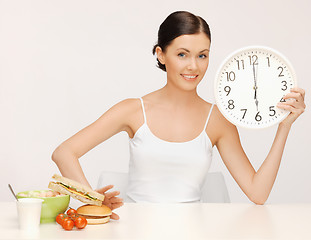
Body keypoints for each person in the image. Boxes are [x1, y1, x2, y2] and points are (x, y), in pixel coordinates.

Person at [51, 11, 306, 220]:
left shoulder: (218, 119)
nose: (193, 66)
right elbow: (64, 152)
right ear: (161, 54)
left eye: (202, 55)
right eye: (182, 54)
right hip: (135, 230)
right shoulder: (133, 110)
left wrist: (283, 126)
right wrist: (93, 200)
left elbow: (257, 193)